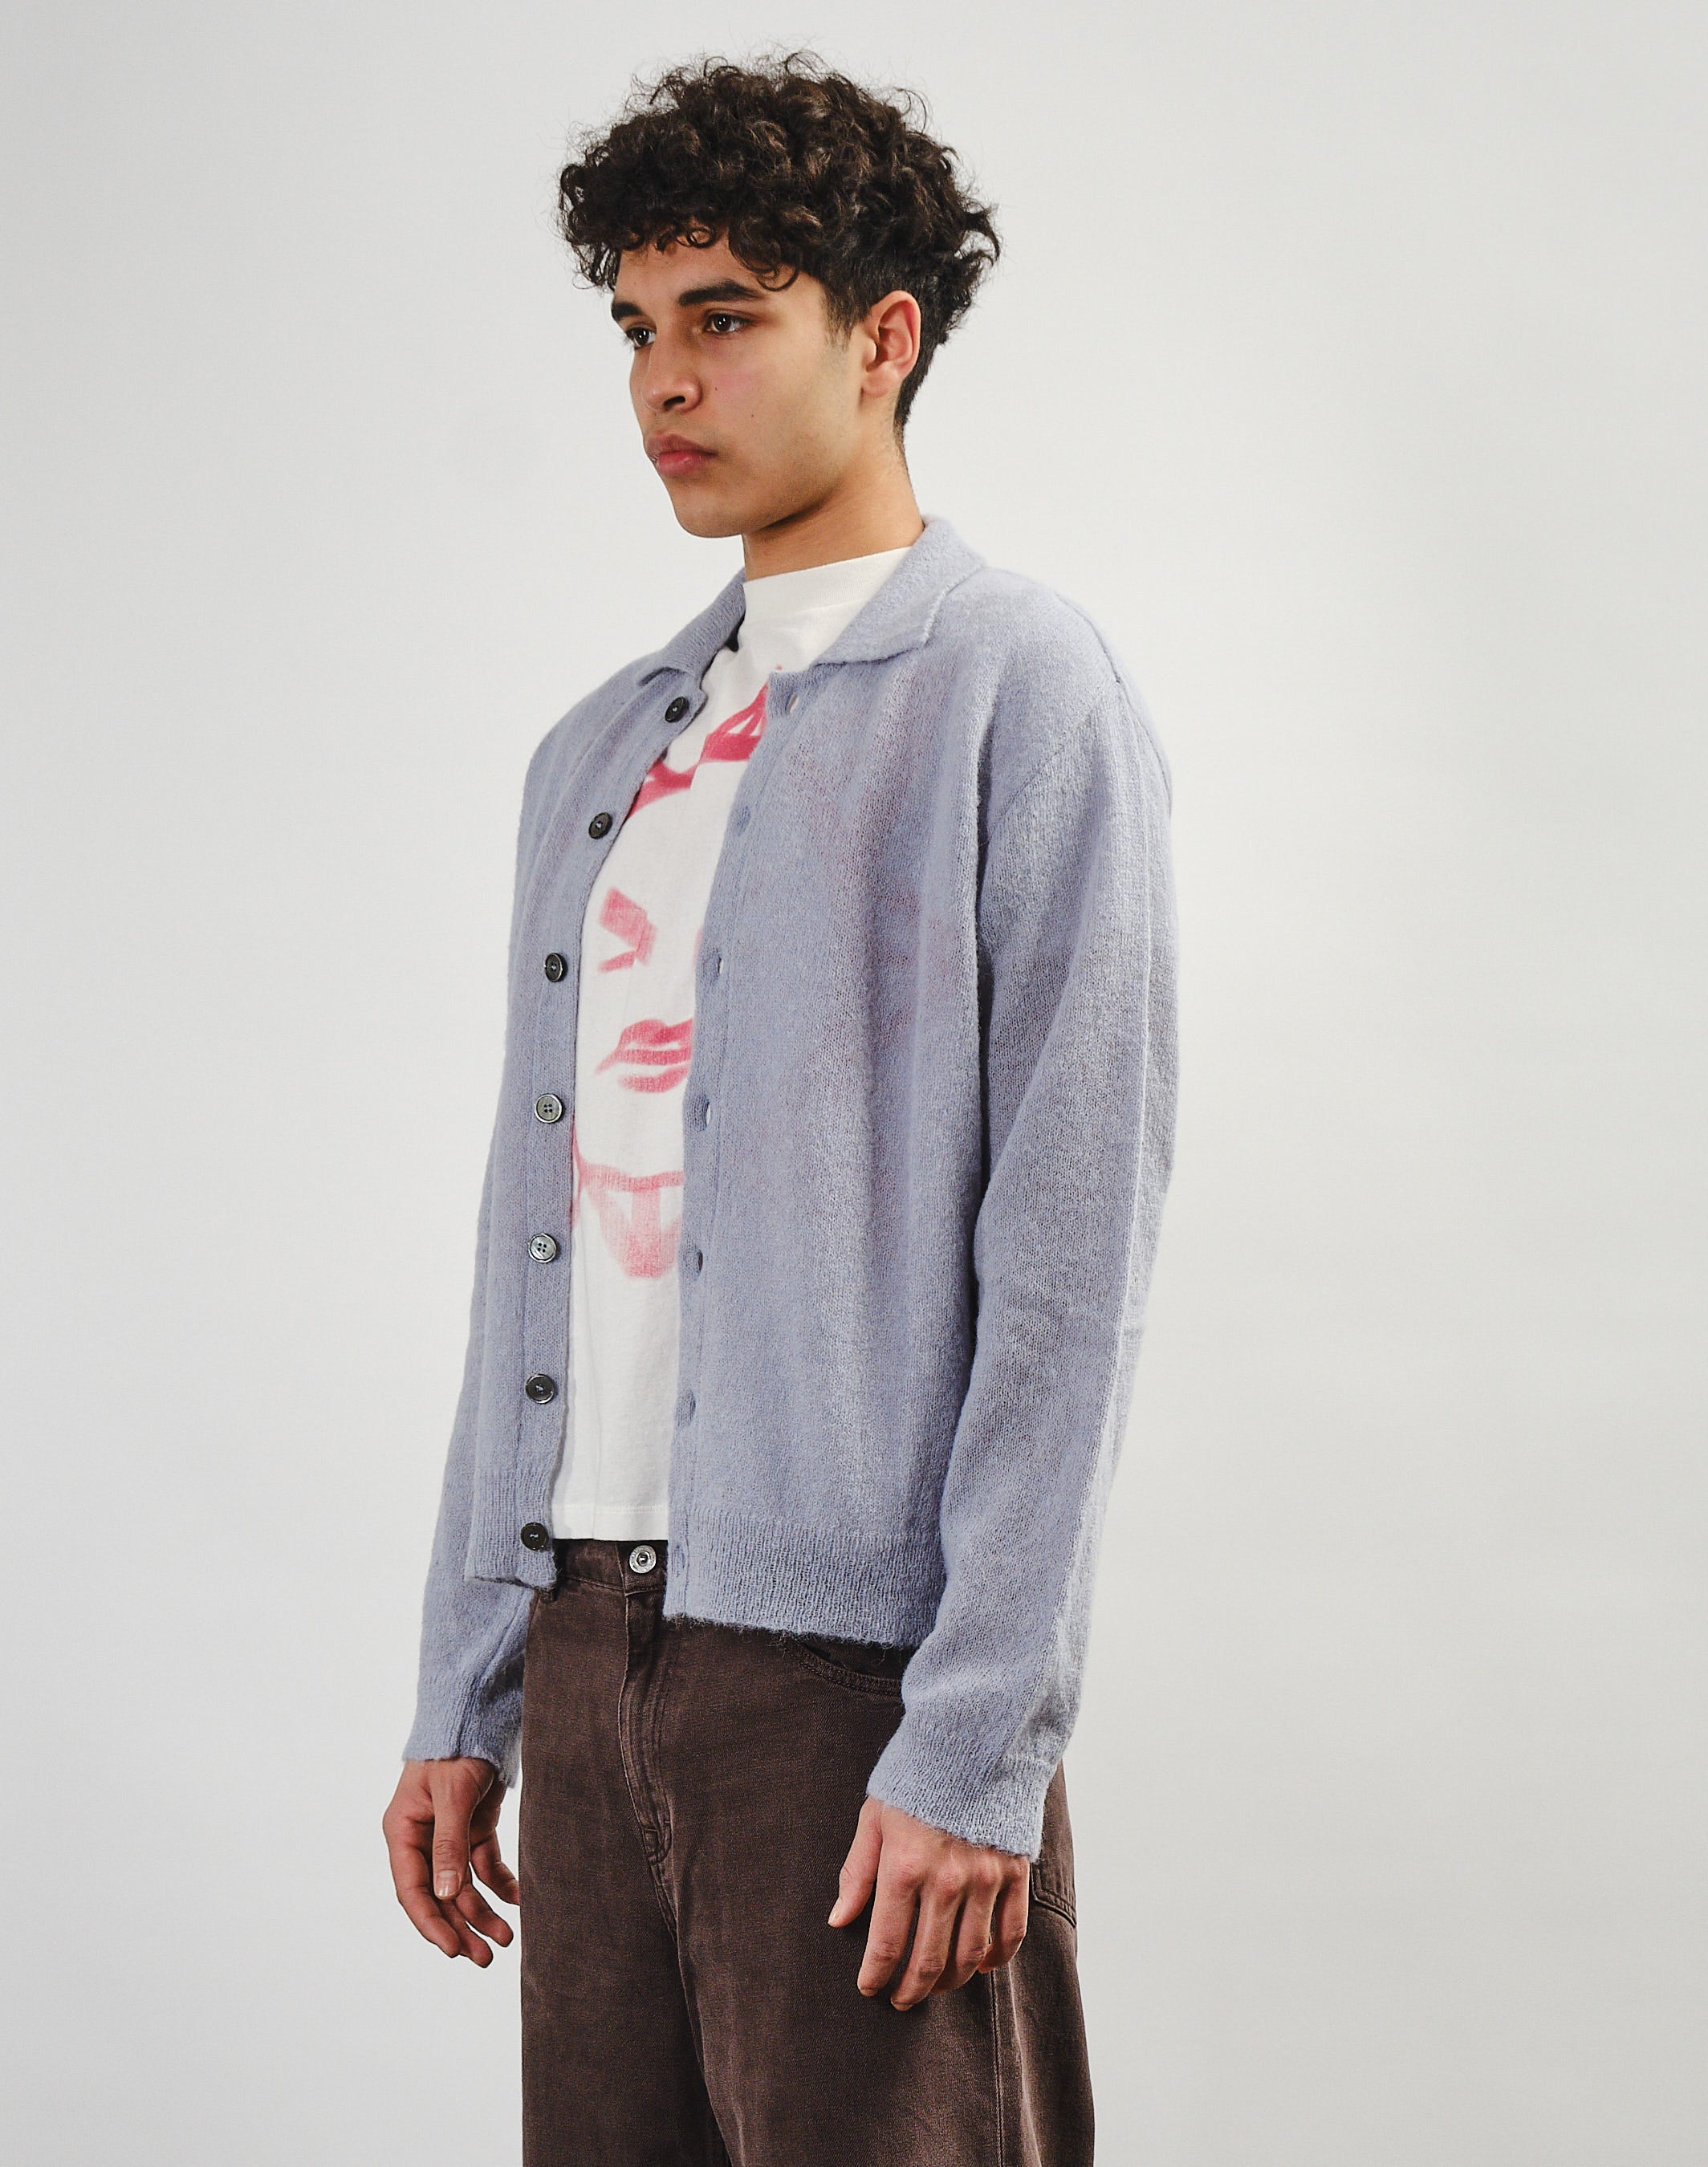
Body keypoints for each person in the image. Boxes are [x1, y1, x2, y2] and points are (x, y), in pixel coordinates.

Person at [381, 47, 1178, 2167]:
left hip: (851, 1681)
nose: (666, 378)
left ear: (884, 335)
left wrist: (979, 1735)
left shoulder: (1023, 695)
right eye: (638, 326)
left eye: (726, 317)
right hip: (585, 1646)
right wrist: (473, 1685)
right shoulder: (598, 756)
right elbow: (532, 1247)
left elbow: (1069, 1263)